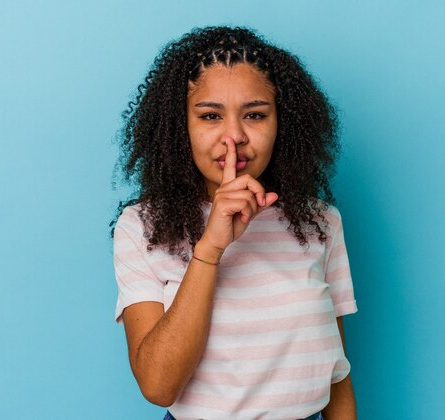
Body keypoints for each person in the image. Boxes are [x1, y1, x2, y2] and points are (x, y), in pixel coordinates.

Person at [111, 25, 358, 420]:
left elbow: (337, 370)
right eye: (210, 115)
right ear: (180, 127)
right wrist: (210, 248)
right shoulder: (141, 227)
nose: (234, 137)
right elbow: (157, 386)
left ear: (283, 123)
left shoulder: (320, 222)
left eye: (255, 115)